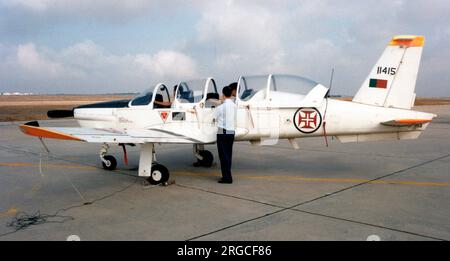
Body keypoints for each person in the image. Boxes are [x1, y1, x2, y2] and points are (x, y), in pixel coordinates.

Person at [214, 86, 237, 184]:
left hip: (222, 131)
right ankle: (228, 175)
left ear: (223, 94)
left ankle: (227, 178)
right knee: (228, 154)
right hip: (231, 131)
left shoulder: (220, 107)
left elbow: (214, 117)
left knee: (223, 156)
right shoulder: (234, 105)